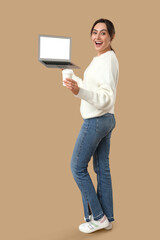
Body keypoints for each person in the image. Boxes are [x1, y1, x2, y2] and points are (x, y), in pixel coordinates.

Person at [62, 18, 119, 234]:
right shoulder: (101, 58)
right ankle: (107, 217)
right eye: (94, 32)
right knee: (101, 169)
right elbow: (92, 88)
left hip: (96, 120)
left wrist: (80, 92)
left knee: (77, 167)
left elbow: (106, 98)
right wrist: (73, 80)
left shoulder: (108, 60)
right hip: (105, 119)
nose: (97, 37)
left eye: (103, 33)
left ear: (111, 37)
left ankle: (98, 217)